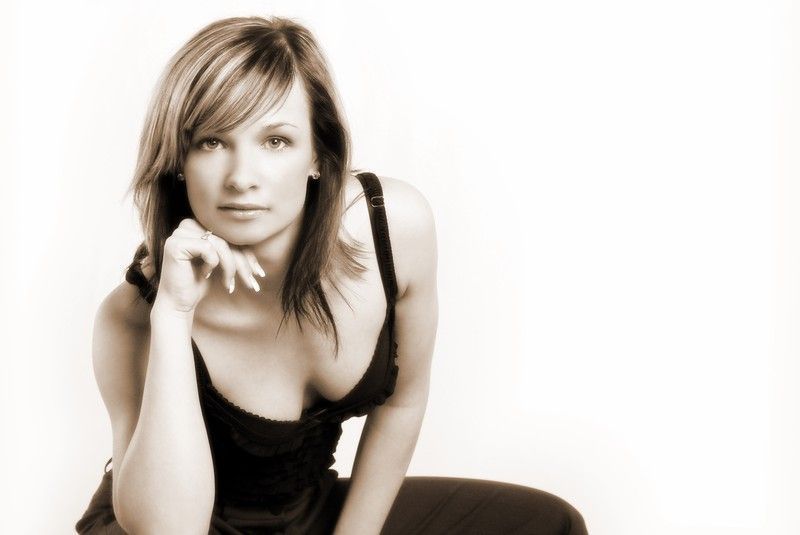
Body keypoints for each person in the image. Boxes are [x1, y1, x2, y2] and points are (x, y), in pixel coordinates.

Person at [74, 15, 588, 535]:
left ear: (318, 153)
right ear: (177, 160)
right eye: (211, 141)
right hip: (171, 522)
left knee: (549, 525)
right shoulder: (132, 317)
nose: (242, 178)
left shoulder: (392, 229)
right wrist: (174, 313)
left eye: (276, 141)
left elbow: (403, 403)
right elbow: (168, 530)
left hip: (309, 512)